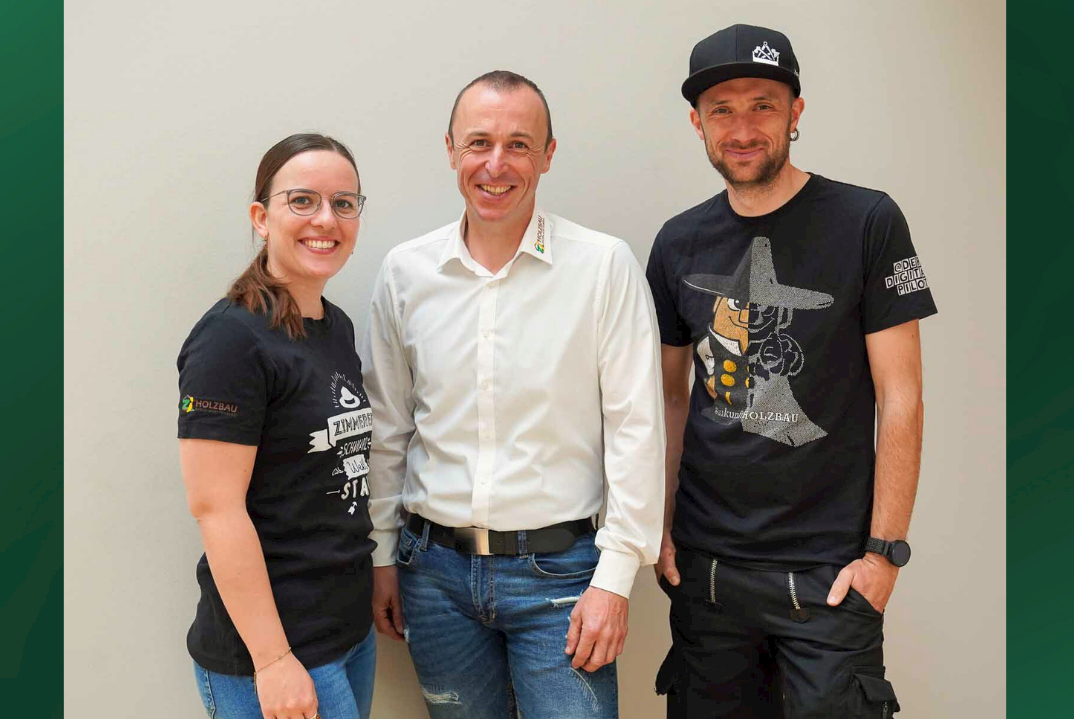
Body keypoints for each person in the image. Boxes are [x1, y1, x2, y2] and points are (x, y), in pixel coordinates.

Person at [648, 24, 938, 718]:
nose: (742, 128)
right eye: (722, 110)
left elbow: (901, 396)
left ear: (795, 112)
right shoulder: (677, 242)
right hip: (707, 575)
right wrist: (657, 525)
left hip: (828, 576)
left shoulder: (868, 221)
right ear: (697, 123)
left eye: (763, 106)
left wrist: (884, 554)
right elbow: (669, 399)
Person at [363, 70, 665, 719]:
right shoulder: (406, 272)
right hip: (432, 578)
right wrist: (382, 553)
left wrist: (615, 579)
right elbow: (388, 427)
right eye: (478, 142)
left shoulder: (602, 267)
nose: (495, 165)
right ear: (451, 150)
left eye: (518, 145)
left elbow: (637, 429)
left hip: (562, 578)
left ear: (547, 155)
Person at [177, 133, 376, 719]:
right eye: (303, 200)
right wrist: (272, 661)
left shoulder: (335, 326)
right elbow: (216, 508)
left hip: (346, 633)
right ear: (261, 218)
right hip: (275, 653)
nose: (326, 219)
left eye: (344, 203)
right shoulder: (230, 340)